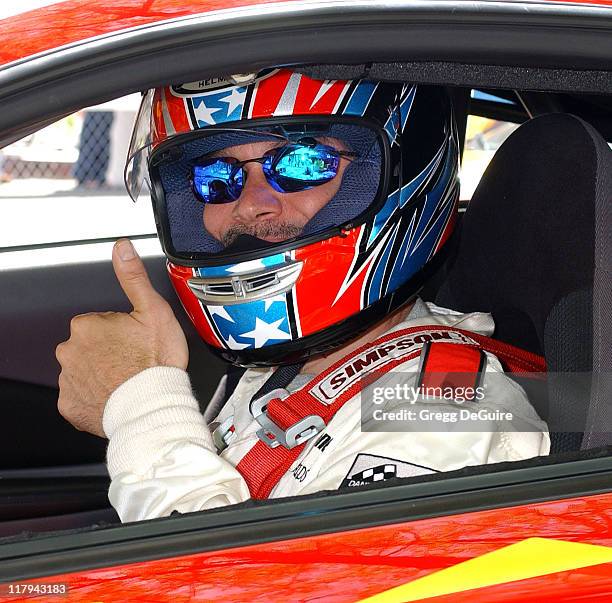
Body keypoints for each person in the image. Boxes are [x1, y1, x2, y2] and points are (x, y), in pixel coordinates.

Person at [56, 69, 549, 522]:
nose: (251, 205)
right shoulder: (281, 370)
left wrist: (143, 411)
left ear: (392, 174)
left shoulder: (445, 413)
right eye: (216, 178)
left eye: (302, 162)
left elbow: (237, 584)